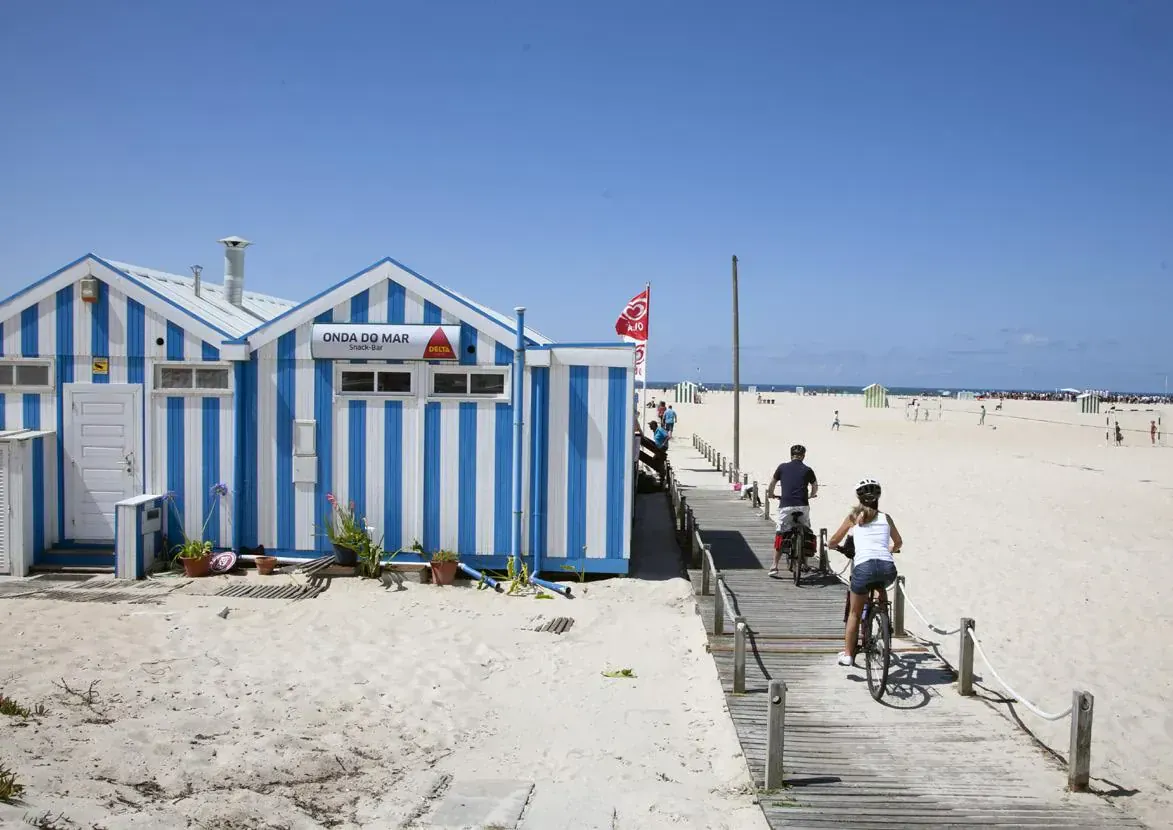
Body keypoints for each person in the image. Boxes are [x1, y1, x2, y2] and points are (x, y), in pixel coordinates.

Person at [828, 479, 902, 667]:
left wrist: (833, 545)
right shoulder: (886, 517)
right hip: (887, 567)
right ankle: (884, 618)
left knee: (854, 612)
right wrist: (891, 548)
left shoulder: (854, 517)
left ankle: (848, 655)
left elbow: (834, 540)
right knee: (880, 583)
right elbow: (899, 541)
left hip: (863, 567)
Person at [765, 444, 817, 577]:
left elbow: (772, 483)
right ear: (803, 456)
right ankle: (804, 563)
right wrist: (811, 495)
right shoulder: (808, 469)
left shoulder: (782, 467)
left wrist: (770, 494)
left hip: (786, 505)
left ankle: (774, 565)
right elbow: (815, 486)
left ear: (791, 455)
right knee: (805, 529)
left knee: (780, 533)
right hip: (802, 505)